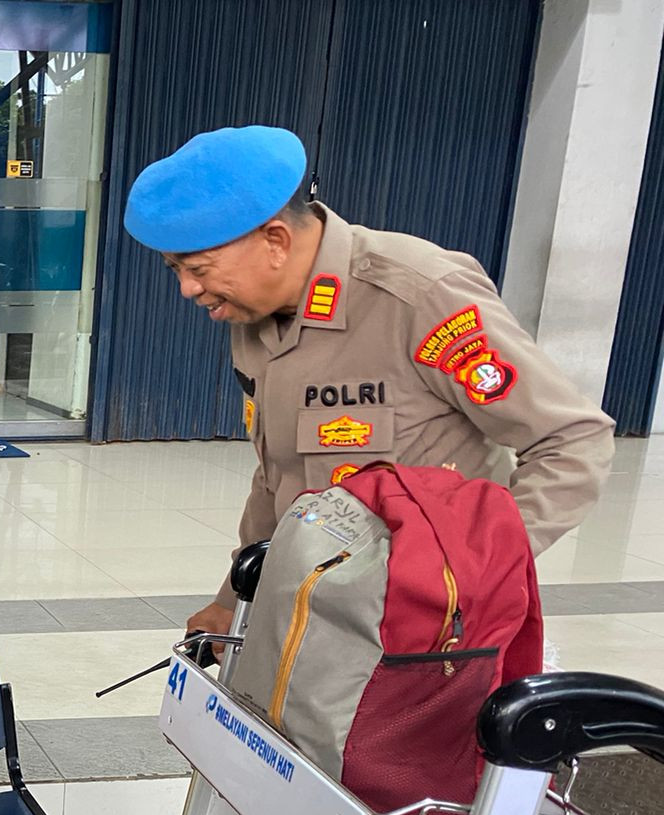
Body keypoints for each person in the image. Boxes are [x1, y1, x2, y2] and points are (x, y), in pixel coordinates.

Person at [122, 125, 616, 640]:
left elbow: (573, 440)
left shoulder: (419, 295)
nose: (186, 289)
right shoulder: (250, 315)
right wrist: (233, 598)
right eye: (173, 268)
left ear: (275, 240)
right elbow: (277, 475)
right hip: (317, 615)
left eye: (198, 268)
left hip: (426, 629)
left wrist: (469, 566)